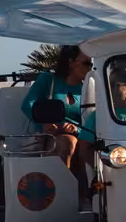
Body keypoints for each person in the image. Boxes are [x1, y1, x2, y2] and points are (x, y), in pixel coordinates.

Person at [22, 46, 95, 180]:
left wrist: (77, 129)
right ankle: (64, 189)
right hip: (50, 136)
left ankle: (91, 193)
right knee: (68, 142)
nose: (90, 68)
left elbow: (93, 116)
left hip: (80, 136)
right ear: (71, 62)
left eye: (92, 64)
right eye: (86, 63)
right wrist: (44, 123)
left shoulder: (89, 88)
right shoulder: (48, 80)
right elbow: (28, 105)